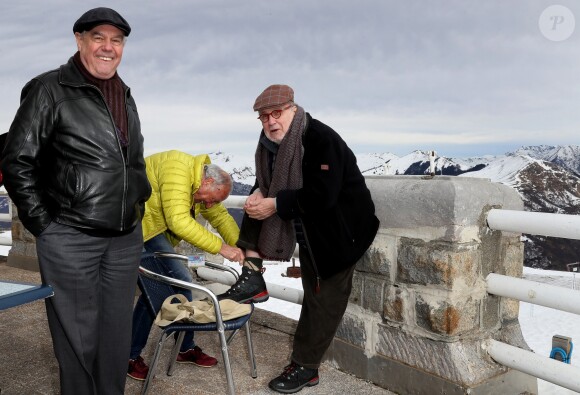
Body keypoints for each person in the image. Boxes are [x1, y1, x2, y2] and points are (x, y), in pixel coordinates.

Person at [0, 8, 151, 395]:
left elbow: (129, 161)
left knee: (115, 338)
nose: (108, 47)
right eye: (98, 37)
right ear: (79, 40)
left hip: (124, 238)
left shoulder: (126, 95)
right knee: (77, 340)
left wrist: (138, 207)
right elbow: (17, 160)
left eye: (116, 40)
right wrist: (45, 227)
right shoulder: (49, 89)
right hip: (70, 237)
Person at [218, 84, 379, 393]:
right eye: (264, 117)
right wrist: (259, 193)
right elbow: (270, 180)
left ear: (293, 109)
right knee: (255, 208)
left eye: (276, 113)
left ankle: (306, 368)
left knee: (322, 300)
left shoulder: (321, 139)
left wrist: (275, 203)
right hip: (309, 227)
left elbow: (323, 195)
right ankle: (252, 276)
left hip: (341, 233)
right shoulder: (271, 144)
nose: (270, 122)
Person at [128, 150, 245, 380]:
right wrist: (222, 248)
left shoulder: (202, 185)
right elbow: (178, 221)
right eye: (212, 198)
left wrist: (241, 248)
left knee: (161, 288)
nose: (210, 205)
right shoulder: (178, 169)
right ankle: (131, 355)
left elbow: (220, 218)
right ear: (209, 181)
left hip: (153, 230)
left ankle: (183, 347)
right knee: (170, 284)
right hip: (138, 227)